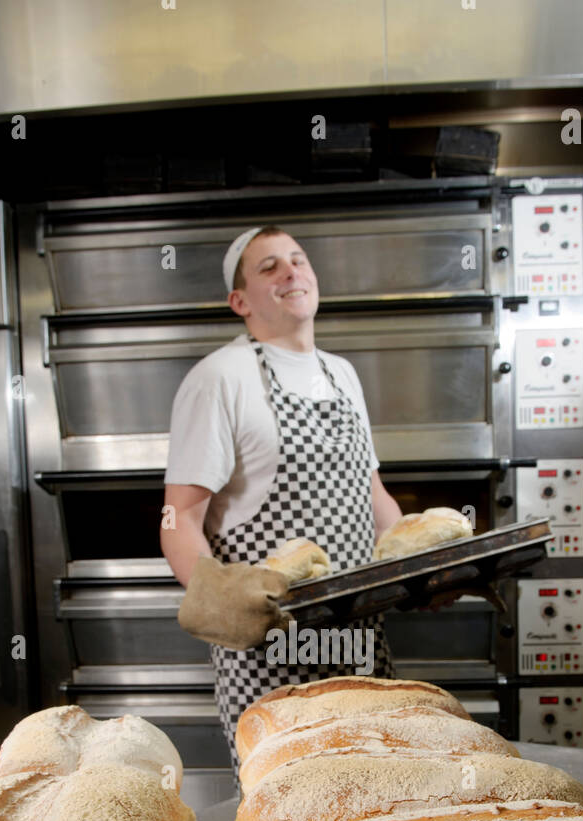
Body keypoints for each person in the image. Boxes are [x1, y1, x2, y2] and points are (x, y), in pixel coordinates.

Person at [160, 224, 403, 775]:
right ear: (239, 300)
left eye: (298, 260)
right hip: (272, 659)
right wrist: (221, 599)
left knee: (378, 802)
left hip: (359, 647)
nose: (292, 272)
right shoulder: (220, 379)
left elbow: (372, 496)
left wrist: (428, 565)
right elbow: (179, 518)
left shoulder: (342, 376)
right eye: (269, 266)